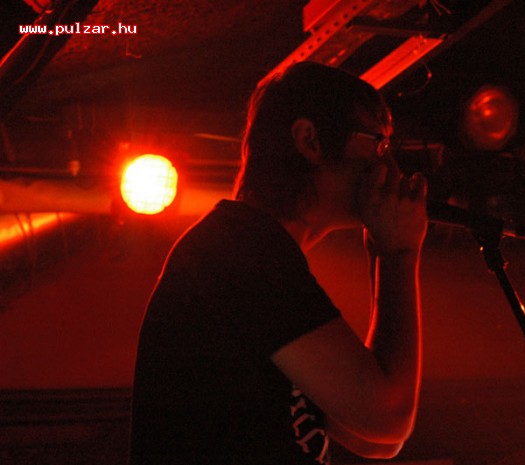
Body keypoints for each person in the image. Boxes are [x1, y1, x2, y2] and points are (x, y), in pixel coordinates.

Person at [128, 61, 428, 464]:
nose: (389, 169)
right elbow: (387, 417)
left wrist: (383, 249)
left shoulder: (249, 249)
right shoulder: (240, 250)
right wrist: (398, 255)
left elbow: (378, 440)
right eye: (377, 144)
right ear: (310, 140)